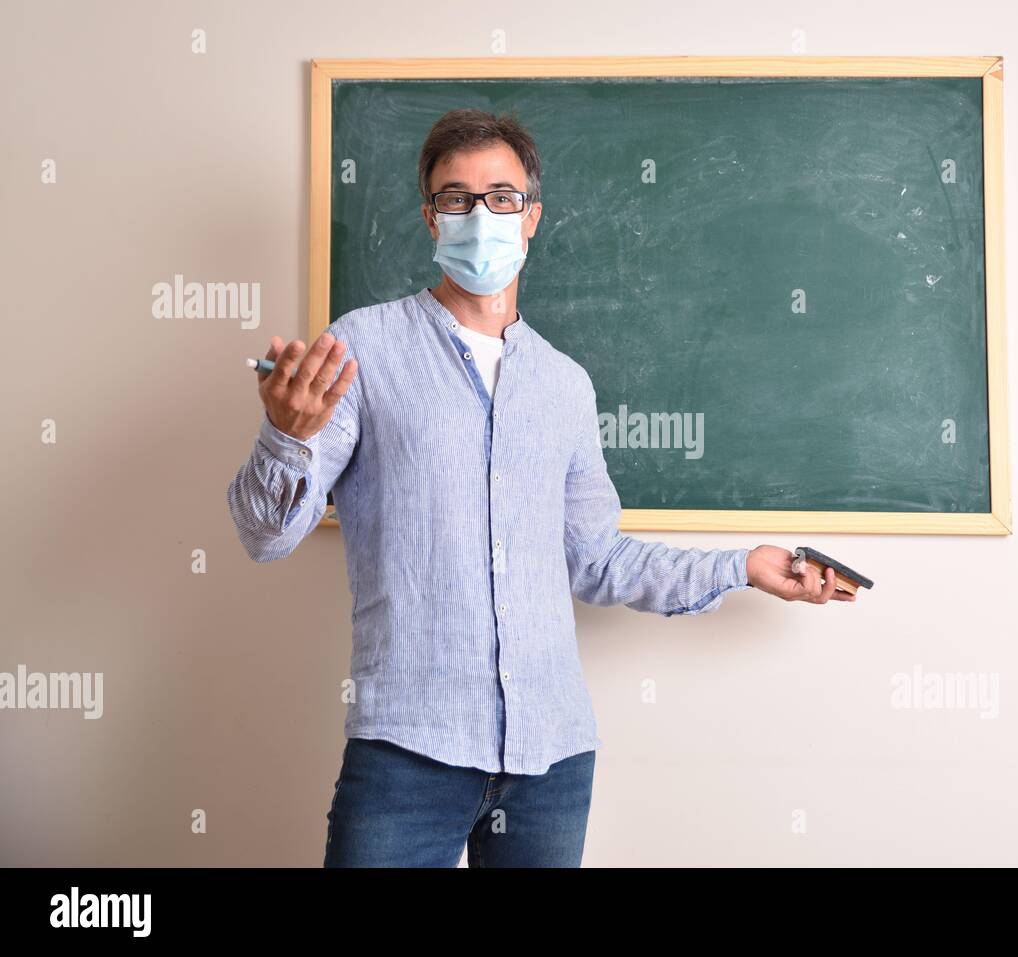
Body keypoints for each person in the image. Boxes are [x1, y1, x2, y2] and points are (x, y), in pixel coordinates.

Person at [227, 108, 855, 868]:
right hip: (407, 751)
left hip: (550, 760)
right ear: (431, 217)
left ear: (532, 218)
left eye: (501, 196)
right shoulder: (361, 349)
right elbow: (266, 536)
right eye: (456, 197)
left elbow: (599, 562)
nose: (479, 214)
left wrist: (743, 566)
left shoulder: (564, 385)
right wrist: (287, 435)